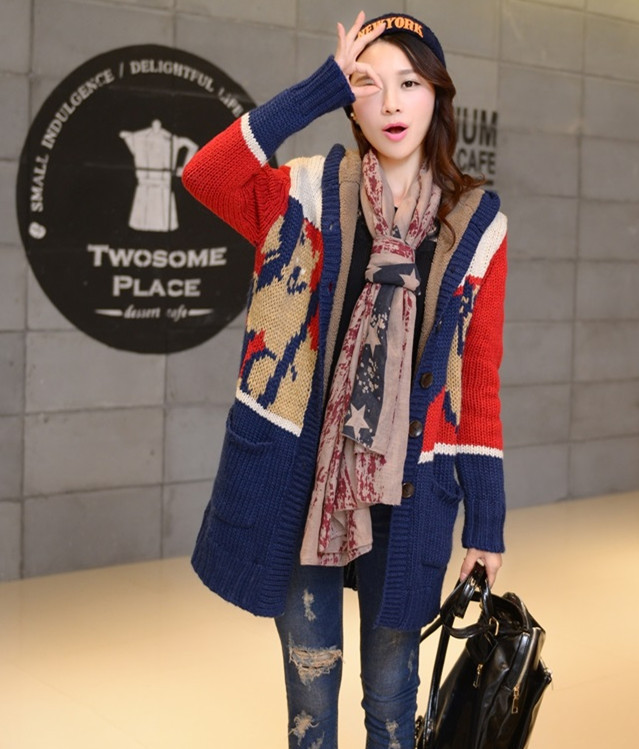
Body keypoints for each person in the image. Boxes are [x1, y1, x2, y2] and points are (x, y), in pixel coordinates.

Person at [182, 11, 507, 748]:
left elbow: (479, 382)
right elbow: (205, 175)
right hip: (306, 488)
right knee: (311, 696)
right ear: (348, 103)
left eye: (410, 83)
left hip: (408, 490)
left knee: (392, 704)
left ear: (436, 95)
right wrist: (318, 86)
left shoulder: (475, 224)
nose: (391, 103)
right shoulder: (302, 192)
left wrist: (486, 521)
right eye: (367, 84)